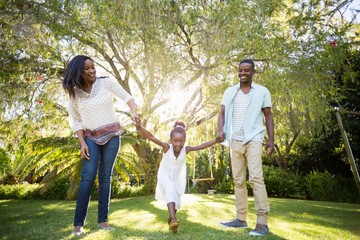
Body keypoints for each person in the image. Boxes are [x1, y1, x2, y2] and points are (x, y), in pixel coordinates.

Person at [62, 55, 140, 236]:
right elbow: (76, 121)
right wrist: (82, 143)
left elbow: (128, 98)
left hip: (112, 136)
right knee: (88, 177)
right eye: (87, 68)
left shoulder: (105, 83)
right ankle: (78, 225)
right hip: (90, 138)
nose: (92, 70)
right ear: (79, 72)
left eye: (93, 67)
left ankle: (103, 221)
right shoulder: (74, 93)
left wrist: (134, 112)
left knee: (105, 177)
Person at [217, 59, 274, 236]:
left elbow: (268, 116)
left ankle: (262, 223)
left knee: (256, 178)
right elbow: (222, 113)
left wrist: (271, 141)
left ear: (253, 72)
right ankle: (241, 219)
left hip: (254, 138)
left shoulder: (262, 91)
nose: (243, 73)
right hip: (235, 140)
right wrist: (221, 130)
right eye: (240, 70)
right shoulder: (230, 92)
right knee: (238, 180)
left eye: (247, 70)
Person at [136, 120, 223, 233]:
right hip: (165, 176)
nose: (178, 144)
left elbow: (201, 146)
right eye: (175, 141)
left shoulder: (186, 149)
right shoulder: (167, 147)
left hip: (177, 178)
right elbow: (151, 137)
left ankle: (171, 219)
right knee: (170, 188)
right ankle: (173, 219)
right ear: (170, 140)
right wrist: (139, 127)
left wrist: (215, 140)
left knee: (176, 199)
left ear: (184, 141)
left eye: (180, 141)